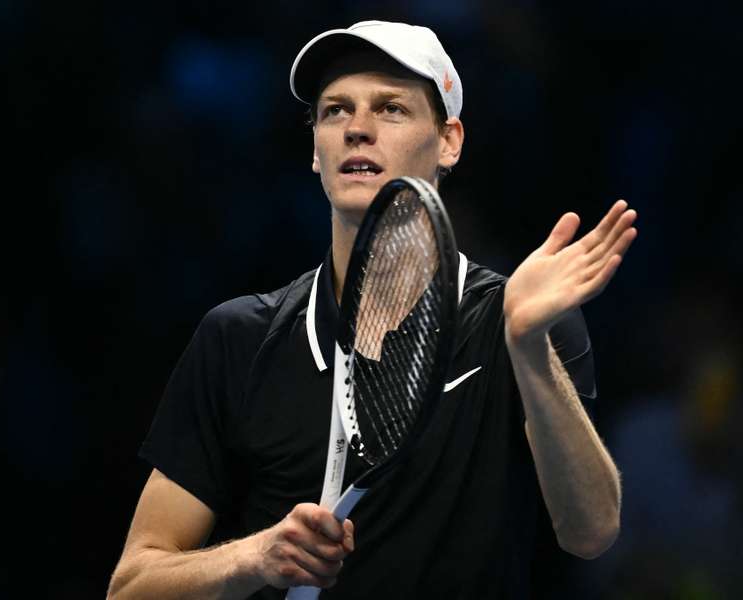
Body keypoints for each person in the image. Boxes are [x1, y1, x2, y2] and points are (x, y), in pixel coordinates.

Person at [107, 20, 636, 599]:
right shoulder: (238, 337)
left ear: (450, 140)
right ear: (315, 149)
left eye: (390, 109)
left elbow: (591, 531)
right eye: (335, 110)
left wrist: (528, 346)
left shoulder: (519, 319)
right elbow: (133, 584)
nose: (357, 129)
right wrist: (253, 557)